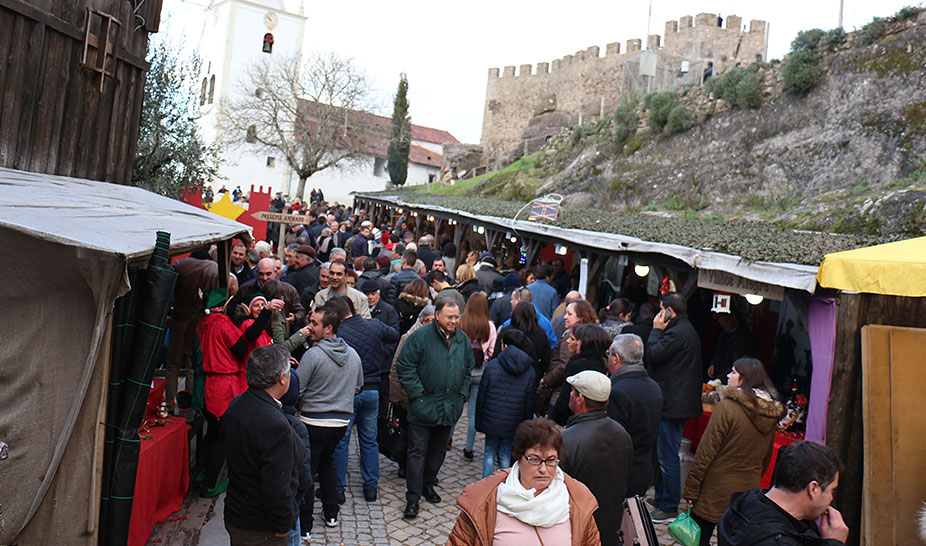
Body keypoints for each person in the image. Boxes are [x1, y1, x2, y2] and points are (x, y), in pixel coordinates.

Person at [447, 418, 602, 545]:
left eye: (550, 460)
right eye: (534, 459)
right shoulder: (485, 502)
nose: (543, 469)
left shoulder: (578, 502)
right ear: (519, 458)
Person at [683, 358, 785, 545]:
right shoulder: (770, 414)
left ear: (744, 379)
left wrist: (691, 490)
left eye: (733, 372)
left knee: (698, 540)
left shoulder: (728, 407)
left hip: (716, 488)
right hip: (746, 492)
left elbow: (706, 452)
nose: (728, 376)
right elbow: (766, 458)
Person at [223, 345, 309, 545]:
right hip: (259, 525)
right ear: (282, 378)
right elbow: (276, 486)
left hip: (238, 513)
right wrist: (282, 526)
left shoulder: (236, 404)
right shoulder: (274, 424)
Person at [396, 299, 475, 518]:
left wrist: (462, 394)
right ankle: (412, 498)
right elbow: (404, 366)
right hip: (423, 407)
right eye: (449, 317)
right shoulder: (420, 337)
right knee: (417, 453)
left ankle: (427, 484)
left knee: (438, 452)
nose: (453, 321)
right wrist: (418, 394)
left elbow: (468, 368)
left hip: (449, 407)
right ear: (437, 316)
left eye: (456, 316)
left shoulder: (462, 340)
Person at [295, 305, 364, 533]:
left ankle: (304, 525)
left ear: (329, 328)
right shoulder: (353, 354)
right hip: (340, 424)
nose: (309, 327)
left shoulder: (313, 355)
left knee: (307, 471)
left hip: (313, 423)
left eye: (314, 323)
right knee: (327, 465)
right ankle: (331, 513)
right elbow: (358, 386)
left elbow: (298, 390)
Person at [330, 296, 399, 503]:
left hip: (347, 392)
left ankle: (339, 488)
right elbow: (394, 335)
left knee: (342, 442)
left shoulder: (338, 333)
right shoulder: (374, 325)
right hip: (372, 391)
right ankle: (370, 487)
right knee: (369, 441)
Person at [717, 441, 848, 546]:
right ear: (813, 488)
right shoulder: (775, 541)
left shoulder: (746, 503)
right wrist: (835, 542)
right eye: (832, 490)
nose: (831, 498)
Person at [646, 292, 704, 522]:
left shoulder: (678, 332)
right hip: (675, 399)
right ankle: (661, 498)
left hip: (673, 403)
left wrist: (656, 330)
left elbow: (652, 354)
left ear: (669, 311)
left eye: (660, 310)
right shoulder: (684, 329)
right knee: (664, 452)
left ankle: (669, 505)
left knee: (667, 455)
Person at [561, 371, 633, 546]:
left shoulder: (566, 440)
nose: (569, 395)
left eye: (573, 391)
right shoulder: (622, 433)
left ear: (580, 399)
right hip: (611, 525)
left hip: (579, 528)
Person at [605, 334, 663, 497]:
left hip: (621, 474)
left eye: (608, 353)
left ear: (616, 358)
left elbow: (613, 440)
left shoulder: (617, 391)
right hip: (643, 469)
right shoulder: (654, 387)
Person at [475, 328, 537, 478]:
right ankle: (505, 484)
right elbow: (529, 403)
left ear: (505, 346)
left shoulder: (492, 366)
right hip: (513, 422)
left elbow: (482, 395)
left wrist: (479, 420)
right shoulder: (529, 371)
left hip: (492, 420)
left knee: (489, 452)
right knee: (505, 454)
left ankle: (486, 485)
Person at [165, 246, 218, 408]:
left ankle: (169, 405)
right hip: (199, 321)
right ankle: (190, 408)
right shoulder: (214, 268)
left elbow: (168, 290)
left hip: (179, 319)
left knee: (172, 365)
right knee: (193, 366)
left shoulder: (180, 265)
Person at [538, 300, 598, 416]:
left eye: (569, 314)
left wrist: (546, 380)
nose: (565, 317)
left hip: (560, 392)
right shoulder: (588, 335)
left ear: (581, 317)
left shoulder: (572, 337)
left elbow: (564, 366)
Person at [459, 292, 497, 461]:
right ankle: (468, 448)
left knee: (456, 407)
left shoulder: (461, 322)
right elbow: (491, 351)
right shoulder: (490, 326)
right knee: (473, 412)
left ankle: (448, 439)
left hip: (462, 371)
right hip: (481, 372)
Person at [549, 324, 611, 426]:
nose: (573, 342)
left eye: (576, 340)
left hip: (571, 420)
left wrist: (556, 418)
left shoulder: (578, 365)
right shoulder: (604, 363)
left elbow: (565, 398)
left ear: (585, 343)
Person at [708, 312, 758, 380]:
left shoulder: (743, 338)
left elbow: (737, 365)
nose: (722, 325)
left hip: (730, 378)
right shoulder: (725, 332)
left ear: (734, 319)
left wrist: (719, 379)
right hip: (720, 373)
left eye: (724, 321)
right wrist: (713, 364)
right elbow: (718, 350)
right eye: (720, 321)